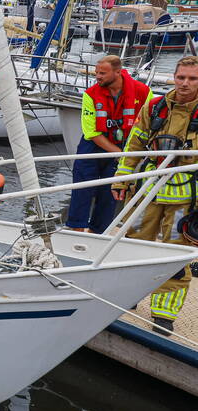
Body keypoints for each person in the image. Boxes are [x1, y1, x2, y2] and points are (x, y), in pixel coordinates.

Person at [112, 56, 198, 332]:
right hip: (147, 190)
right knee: (133, 247)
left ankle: (164, 315)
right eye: (181, 77)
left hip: (187, 198)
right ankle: (128, 296)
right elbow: (134, 143)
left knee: (175, 257)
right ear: (173, 77)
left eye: (192, 78)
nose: (185, 83)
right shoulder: (154, 107)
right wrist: (122, 179)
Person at [67, 55, 151, 233]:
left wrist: (130, 153)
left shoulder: (142, 92)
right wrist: (120, 155)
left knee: (110, 193)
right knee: (81, 189)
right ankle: (76, 229)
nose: (98, 76)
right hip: (93, 147)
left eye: (102, 73)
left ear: (118, 72)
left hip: (123, 145)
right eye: (96, 72)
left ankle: (98, 232)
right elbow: (92, 133)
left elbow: (149, 121)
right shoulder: (90, 95)